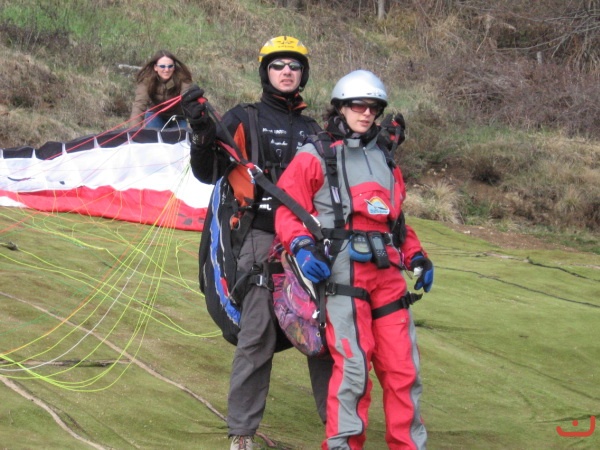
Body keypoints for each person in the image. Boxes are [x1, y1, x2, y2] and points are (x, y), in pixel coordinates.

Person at [181, 36, 333, 450]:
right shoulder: (243, 118)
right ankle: (242, 434)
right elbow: (208, 171)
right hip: (260, 236)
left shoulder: (314, 131)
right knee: (258, 328)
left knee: (322, 328)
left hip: (305, 238)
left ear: (303, 74)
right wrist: (200, 130)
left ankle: (339, 430)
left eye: (294, 66)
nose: (287, 72)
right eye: (278, 65)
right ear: (265, 72)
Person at [274, 70, 434, 450]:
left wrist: (417, 257)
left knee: (404, 370)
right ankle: (343, 445)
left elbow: (396, 223)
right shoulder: (316, 155)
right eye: (358, 106)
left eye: (373, 108)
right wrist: (302, 247)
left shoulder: (386, 161)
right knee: (353, 370)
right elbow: (287, 210)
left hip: (387, 276)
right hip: (343, 275)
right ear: (341, 107)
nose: (366, 114)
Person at [130, 49, 193, 130]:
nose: (166, 70)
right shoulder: (147, 80)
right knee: (153, 135)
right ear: (155, 67)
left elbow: (188, 100)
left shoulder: (182, 79)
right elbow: (139, 104)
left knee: (181, 136)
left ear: (174, 67)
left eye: (170, 66)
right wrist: (133, 130)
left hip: (177, 116)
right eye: (162, 66)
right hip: (155, 114)